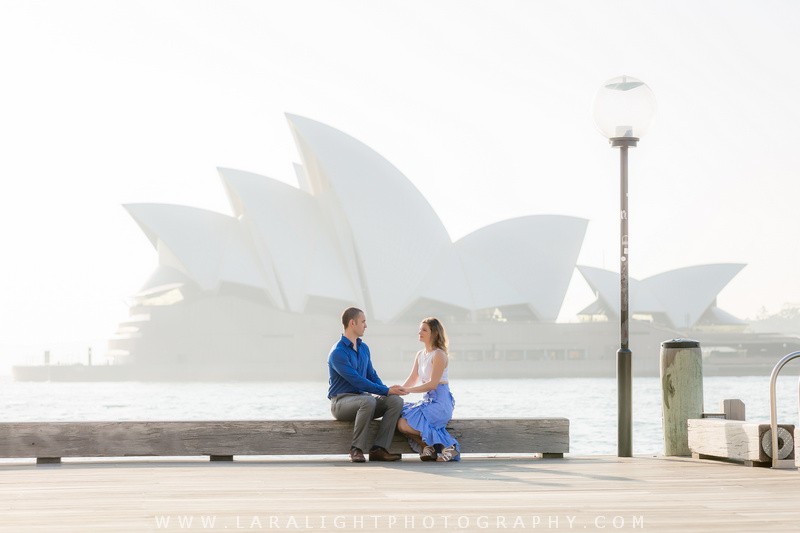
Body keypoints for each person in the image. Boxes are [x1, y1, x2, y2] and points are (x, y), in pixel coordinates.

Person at [328, 307, 408, 463]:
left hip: (363, 400)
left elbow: (372, 375)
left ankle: (379, 449)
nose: (366, 325)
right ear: (352, 323)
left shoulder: (364, 348)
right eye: (363, 321)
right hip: (341, 403)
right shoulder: (337, 352)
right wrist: (385, 390)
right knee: (368, 400)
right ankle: (356, 449)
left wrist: (388, 392)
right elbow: (357, 380)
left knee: (395, 401)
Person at [397, 317, 460, 462]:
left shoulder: (439, 354)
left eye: (424, 330)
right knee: (401, 422)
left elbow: (432, 384)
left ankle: (450, 446)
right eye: (420, 329)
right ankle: (428, 447)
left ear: (434, 333)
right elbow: (413, 378)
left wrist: (409, 390)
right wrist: (399, 390)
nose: (420, 332)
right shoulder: (420, 355)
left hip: (440, 402)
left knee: (405, 423)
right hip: (427, 401)